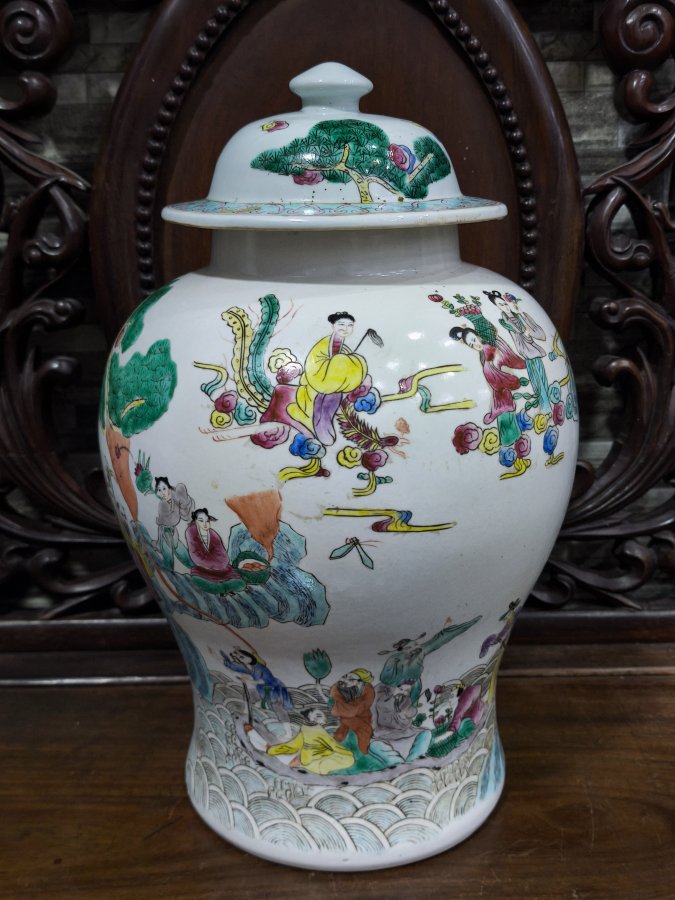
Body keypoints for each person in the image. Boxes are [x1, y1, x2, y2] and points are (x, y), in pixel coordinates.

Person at [287, 312, 368, 445]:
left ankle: (323, 426)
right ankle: (320, 427)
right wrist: (343, 363)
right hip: (318, 377)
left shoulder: (342, 344)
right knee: (328, 396)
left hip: (330, 379)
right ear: (333, 326)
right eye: (341, 324)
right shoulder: (325, 343)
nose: (345, 328)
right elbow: (316, 364)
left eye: (350, 325)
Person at [449, 326, 527, 448]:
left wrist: (514, 381)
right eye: (471, 345)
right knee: (505, 418)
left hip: (503, 392)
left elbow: (498, 369)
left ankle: (511, 443)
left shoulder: (490, 350)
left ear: (477, 335)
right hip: (500, 393)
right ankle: (512, 443)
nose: (476, 345)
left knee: (506, 417)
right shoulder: (484, 354)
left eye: (474, 340)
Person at [485, 290, 551, 413]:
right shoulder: (505, 321)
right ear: (498, 307)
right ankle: (544, 407)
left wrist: (520, 313)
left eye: (505, 303)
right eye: (501, 305)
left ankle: (547, 406)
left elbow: (538, 333)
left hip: (533, 350)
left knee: (542, 378)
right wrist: (526, 334)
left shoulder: (519, 315)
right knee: (536, 380)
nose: (505, 306)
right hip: (527, 351)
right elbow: (520, 336)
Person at [262, 707, 355, 775]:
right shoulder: (319, 731)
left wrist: (271, 750)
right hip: (318, 764)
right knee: (349, 758)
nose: (324, 718)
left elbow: (292, 745)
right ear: (311, 717)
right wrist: (349, 754)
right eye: (319, 715)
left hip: (307, 764)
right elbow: (334, 746)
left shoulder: (305, 729)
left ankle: (297, 763)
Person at [184, 508, 245, 594]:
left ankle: (225, 586)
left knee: (239, 582)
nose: (205, 524)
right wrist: (211, 565)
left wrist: (219, 565)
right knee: (200, 579)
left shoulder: (213, 534)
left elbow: (222, 554)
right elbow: (195, 554)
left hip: (221, 568)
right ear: (195, 521)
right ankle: (221, 587)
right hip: (203, 568)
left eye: (207, 521)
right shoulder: (190, 532)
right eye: (201, 521)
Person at [221, 648, 293, 710]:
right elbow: (238, 668)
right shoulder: (249, 667)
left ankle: (271, 703)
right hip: (263, 689)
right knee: (252, 697)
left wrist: (248, 681)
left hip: (272, 688)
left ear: (250, 657)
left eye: (242, 657)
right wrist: (227, 662)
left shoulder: (260, 668)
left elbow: (262, 681)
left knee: (260, 701)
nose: (240, 660)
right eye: (239, 658)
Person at [328, 669, 375, 754]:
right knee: (339, 736)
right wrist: (349, 710)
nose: (345, 680)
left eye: (351, 679)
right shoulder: (336, 688)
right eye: (344, 677)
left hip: (363, 717)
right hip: (343, 718)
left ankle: (363, 753)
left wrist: (348, 710)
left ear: (360, 682)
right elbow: (336, 708)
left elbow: (363, 706)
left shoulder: (368, 689)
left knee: (364, 732)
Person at [154, 476, 194, 570]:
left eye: (164, 488)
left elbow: (185, 514)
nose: (162, 492)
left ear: (169, 488)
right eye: (159, 490)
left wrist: (182, 502)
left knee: (181, 551)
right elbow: (172, 518)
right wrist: (179, 502)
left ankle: (193, 568)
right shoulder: (162, 504)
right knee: (168, 555)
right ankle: (170, 571)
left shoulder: (174, 498)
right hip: (164, 531)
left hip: (172, 530)